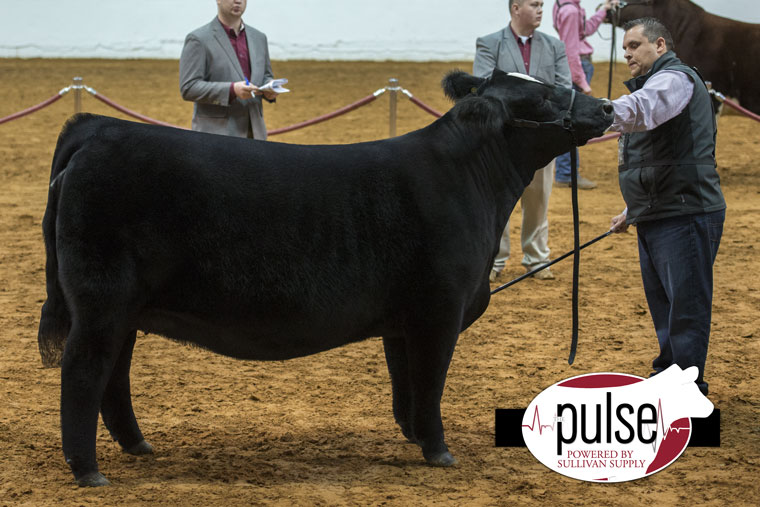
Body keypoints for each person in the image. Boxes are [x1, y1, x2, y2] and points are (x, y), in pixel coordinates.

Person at [608, 18, 726, 396]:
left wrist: (593, 112)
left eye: (633, 45)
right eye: (623, 48)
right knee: (666, 304)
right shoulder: (659, 82)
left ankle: (687, 390)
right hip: (664, 210)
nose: (626, 53)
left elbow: (644, 109)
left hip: (687, 211)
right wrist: (633, 210)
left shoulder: (674, 79)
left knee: (685, 307)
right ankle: (671, 376)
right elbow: (662, 158)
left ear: (659, 45)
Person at [474, 0, 572, 282]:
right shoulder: (489, 44)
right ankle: (493, 260)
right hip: (501, 142)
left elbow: (564, 89)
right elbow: (483, 87)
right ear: (516, 8)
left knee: (539, 201)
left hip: (541, 140)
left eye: (542, 4)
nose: (541, 9)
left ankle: (537, 259)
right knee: (497, 204)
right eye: (534, 4)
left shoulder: (554, 46)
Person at [179, 0, 278, 139]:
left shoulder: (259, 38)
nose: (238, 1)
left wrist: (269, 89)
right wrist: (232, 90)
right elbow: (188, 88)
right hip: (216, 136)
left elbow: (265, 76)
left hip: (256, 135)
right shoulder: (198, 39)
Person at [552, 0, 619, 189]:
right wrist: (583, 83)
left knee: (568, 119)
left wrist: (602, 12)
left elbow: (583, 31)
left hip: (577, 67)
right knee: (572, 122)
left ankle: (565, 172)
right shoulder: (572, 11)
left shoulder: (563, 6)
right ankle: (566, 173)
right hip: (578, 67)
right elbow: (570, 51)